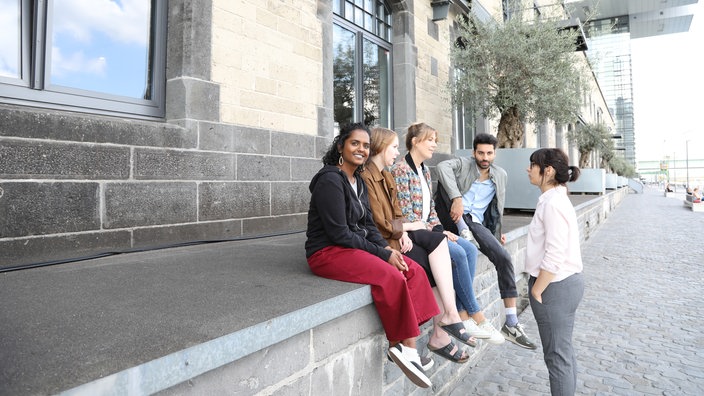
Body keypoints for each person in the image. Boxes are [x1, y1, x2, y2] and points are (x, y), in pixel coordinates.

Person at [305, 123, 438, 388]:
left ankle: (409, 347)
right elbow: (340, 233)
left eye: (366, 145)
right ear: (341, 145)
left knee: (412, 269)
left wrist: (387, 249)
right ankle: (402, 347)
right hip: (327, 252)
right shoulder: (330, 179)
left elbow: (367, 226)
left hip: (353, 247)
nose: (361, 149)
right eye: (355, 143)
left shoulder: (358, 181)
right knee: (391, 276)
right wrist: (381, 253)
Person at [361, 127, 474, 365]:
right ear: (381, 147)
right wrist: (405, 229)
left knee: (450, 249)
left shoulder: (390, 174)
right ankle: (449, 322)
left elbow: (404, 211)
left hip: (406, 232)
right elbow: (379, 220)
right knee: (444, 255)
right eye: (393, 147)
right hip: (391, 237)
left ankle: (450, 320)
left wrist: (408, 228)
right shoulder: (381, 174)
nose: (396, 151)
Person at [391, 123, 505, 346]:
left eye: (435, 140)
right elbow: (403, 213)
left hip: (429, 230)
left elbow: (430, 209)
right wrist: (434, 233)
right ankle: (475, 315)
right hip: (413, 234)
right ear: (415, 141)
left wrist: (441, 230)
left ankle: (462, 314)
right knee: (459, 254)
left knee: (470, 249)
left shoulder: (424, 169)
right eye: (430, 140)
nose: (434, 144)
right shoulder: (400, 170)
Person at [434, 132, 538, 350]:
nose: (485, 157)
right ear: (473, 153)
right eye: (480, 152)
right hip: (454, 218)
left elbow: (498, 206)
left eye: (489, 153)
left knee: (503, 257)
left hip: (477, 225)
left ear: (494, 154)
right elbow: (442, 168)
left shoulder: (500, 175)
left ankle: (511, 323)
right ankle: (466, 317)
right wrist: (457, 198)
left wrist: (496, 232)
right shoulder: (464, 164)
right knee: (467, 249)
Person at [525, 148, 584, 395]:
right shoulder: (554, 199)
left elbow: (555, 253)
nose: (528, 170)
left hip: (554, 286)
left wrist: (538, 289)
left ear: (547, 171)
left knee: (557, 358)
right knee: (562, 353)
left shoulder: (553, 203)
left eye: (532, 165)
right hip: (561, 285)